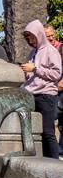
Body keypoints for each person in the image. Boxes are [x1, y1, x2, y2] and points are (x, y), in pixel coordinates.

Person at [20, 20, 61, 160]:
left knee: (48, 132)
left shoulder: (51, 51)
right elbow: (32, 75)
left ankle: (55, 164)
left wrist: (36, 69)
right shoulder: (33, 52)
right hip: (33, 95)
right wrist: (28, 73)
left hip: (46, 96)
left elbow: (56, 74)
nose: (30, 40)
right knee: (36, 131)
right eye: (28, 37)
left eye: (32, 36)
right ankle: (43, 161)